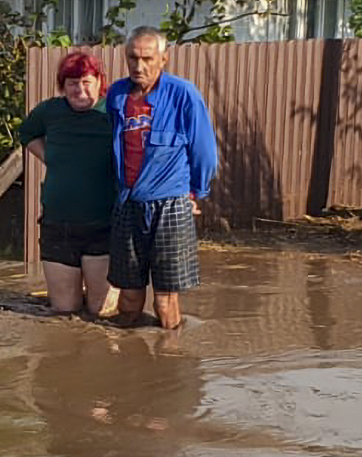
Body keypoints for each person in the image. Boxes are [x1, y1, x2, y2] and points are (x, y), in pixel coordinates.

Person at [104, 26, 217, 330]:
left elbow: (205, 153)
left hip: (170, 205)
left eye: (147, 58)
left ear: (164, 59)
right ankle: (128, 365)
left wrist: (194, 195)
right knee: (127, 296)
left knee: (165, 300)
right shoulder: (116, 95)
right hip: (128, 204)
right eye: (132, 58)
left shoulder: (184, 95)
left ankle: (169, 364)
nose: (139, 66)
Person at [18, 50, 118, 316]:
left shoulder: (114, 111)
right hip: (58, 224)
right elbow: (26, 134)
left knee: (103, 311)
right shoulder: (50, 111)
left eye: (86, 81)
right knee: (64, 312)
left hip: (104, 225)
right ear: (63, 85)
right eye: (72, 83)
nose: (80, 89)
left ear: (99, 82)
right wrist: (51, 157)